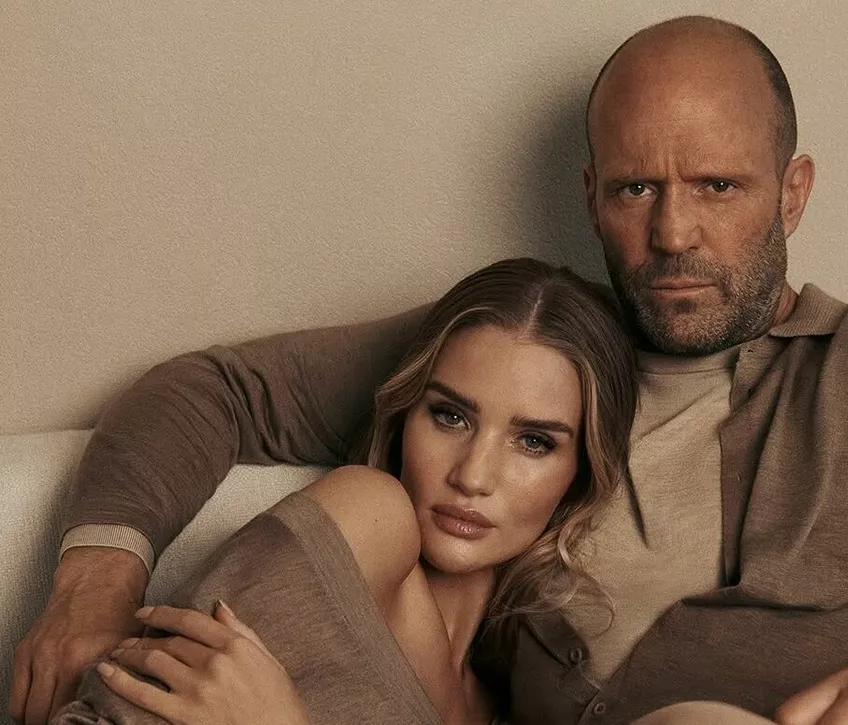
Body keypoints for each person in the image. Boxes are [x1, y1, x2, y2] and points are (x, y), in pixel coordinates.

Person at [11, 14, 848, 725]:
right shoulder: (531, 348)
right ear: (591, 194)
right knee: (369, 504)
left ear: (792, 193)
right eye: (635, 189)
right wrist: (94, 582)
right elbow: (214, 390)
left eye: (716, 186)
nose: (673, 232)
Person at [47, 257, 640, 725]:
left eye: (534, 442)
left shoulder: (524, 701)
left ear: (579, 473)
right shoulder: (367, 518)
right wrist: (94, 588)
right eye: (450, 416)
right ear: (405, 416)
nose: (473, 476)